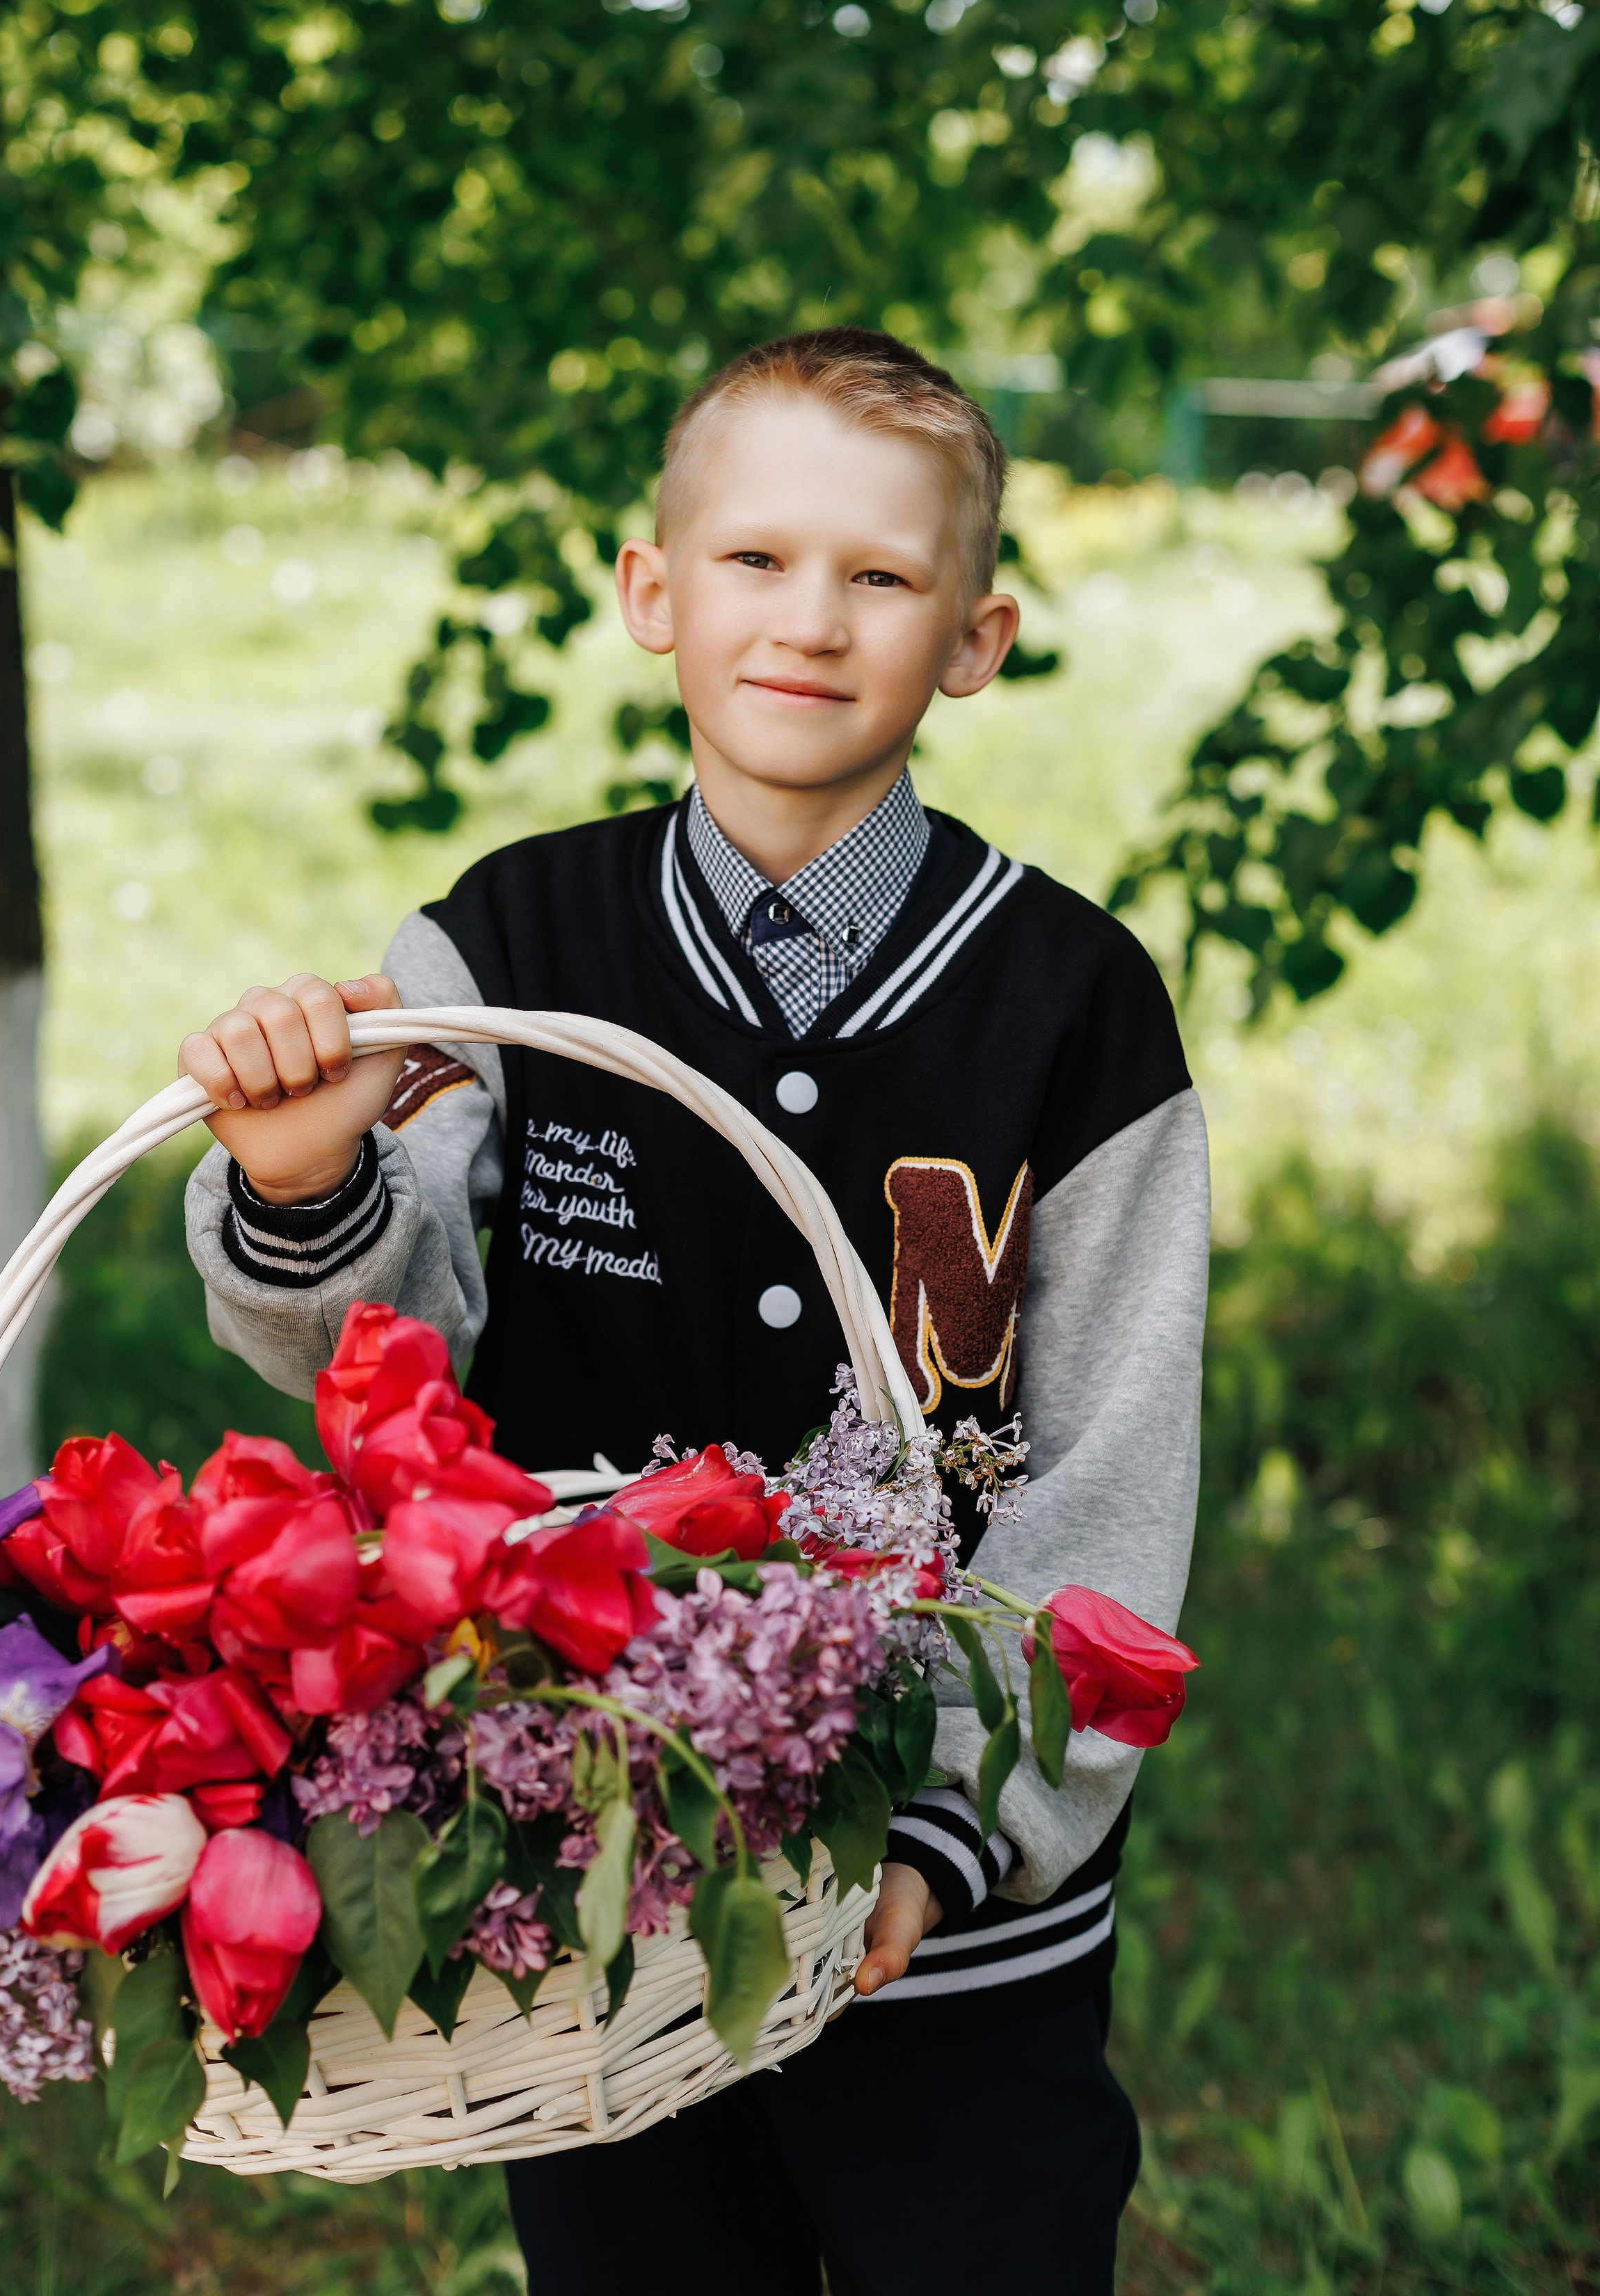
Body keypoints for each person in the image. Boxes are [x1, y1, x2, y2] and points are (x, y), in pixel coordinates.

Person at [178, 327, 1208, 2294]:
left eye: (883, 577)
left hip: (950, 1935)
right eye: (753, 560)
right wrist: (307, 1184)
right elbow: (377, 1384)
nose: (809, 621)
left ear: (977, 638)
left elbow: (1110, 1478)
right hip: (591, 1906)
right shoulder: (503, 945)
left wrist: (946, 1839)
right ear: (653, 592)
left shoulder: (1076, 1007)